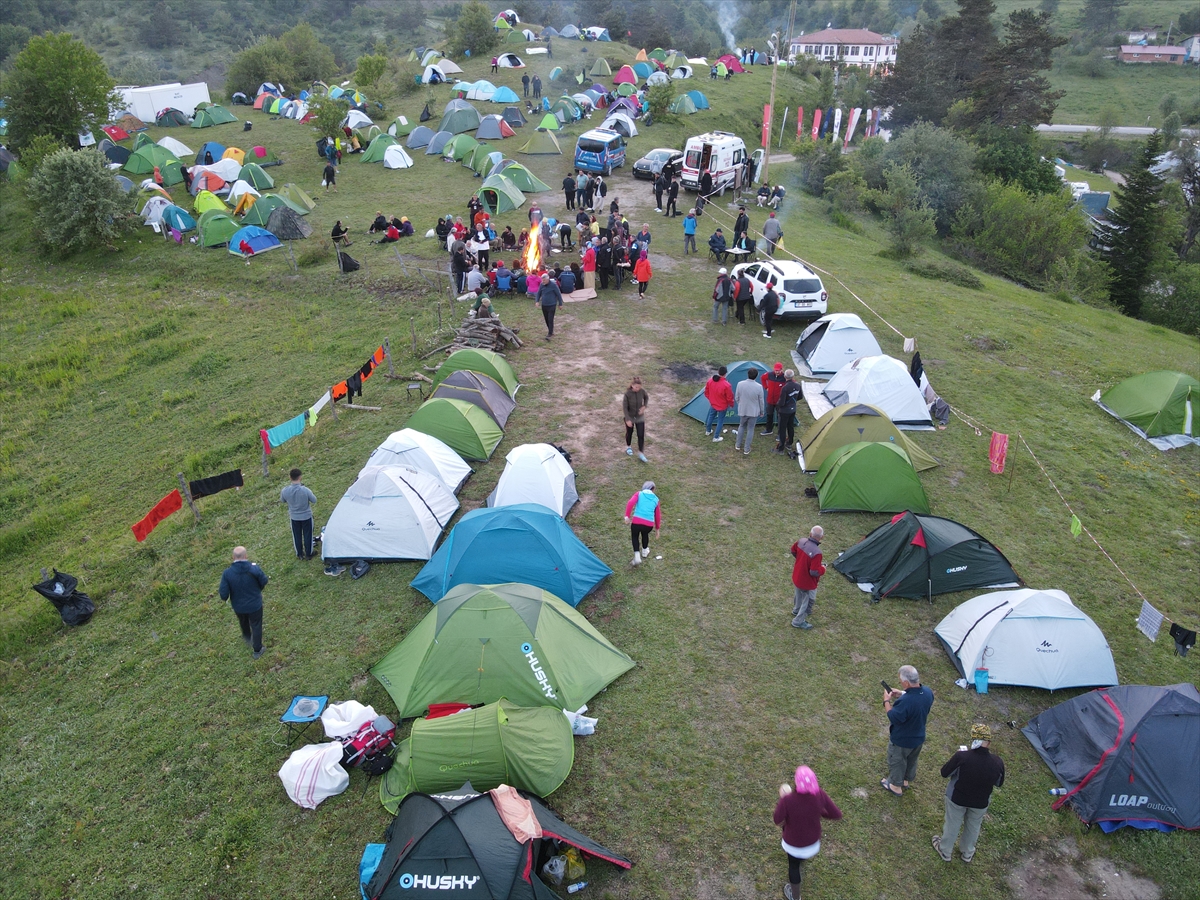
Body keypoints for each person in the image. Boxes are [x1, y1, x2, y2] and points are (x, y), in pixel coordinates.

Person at [934, 724, 1005, 863]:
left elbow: (944, 773)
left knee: (953, 824)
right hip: (980, 802)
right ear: (989, 743)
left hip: (957, 798)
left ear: (974, 740)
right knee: (973, 826)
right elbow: (999, 783)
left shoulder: (962, 756)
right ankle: (967, 853)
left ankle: (945, 850)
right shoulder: (997, 762)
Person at [774, 766, 843, 900]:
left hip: (792, 845)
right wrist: (820, 812)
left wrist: (782, 800)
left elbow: (777, 819)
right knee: (799, 859)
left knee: (793, 868)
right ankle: (801, 859)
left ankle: (795, 897)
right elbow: (837, 814)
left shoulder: (788, 800)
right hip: (812, 845)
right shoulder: (820, 795)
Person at [882, 665, 935, 797]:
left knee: (897, 760)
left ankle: (895, 786)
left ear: (906, 682)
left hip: (902, 740)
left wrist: (886, 701)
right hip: (918, 737)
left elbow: (894, 717)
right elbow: (915, 697)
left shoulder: (906, 702)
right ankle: (905, 780)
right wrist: (901, 693)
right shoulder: (928, 692)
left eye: (901, 681)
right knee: (911, 760)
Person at [218, 546, 269, 659]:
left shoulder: (227, 574)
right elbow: (264, 580)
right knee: (256, 625)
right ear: (246, 556)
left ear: (233, 557)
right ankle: (257, 650)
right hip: (255, 604)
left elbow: (223, 594)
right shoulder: (254, 569)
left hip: (238, 606)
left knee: (243, 621)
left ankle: (247, 636)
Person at [790, 525, 826, 628]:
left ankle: (796, 610)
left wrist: (801, 561)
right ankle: (798, 621)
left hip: (797, 576)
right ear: (822, 537)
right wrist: (823, 568)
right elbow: (814, 572)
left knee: (798, 594)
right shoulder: (817, 553)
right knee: (809, 601)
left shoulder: (801, 541)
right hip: (807, 583)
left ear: (810, 534)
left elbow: (793, 551)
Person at [280, 469, 316, 560]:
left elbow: (282, 500)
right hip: (306, 516)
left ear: (290, 477)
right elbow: (314, 500)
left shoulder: (285, 491)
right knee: (308, 534)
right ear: (300, 477)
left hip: (294, 517)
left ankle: (299, 553)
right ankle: (309, 553)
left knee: (296, 535)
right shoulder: (305, 490)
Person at [623, 480, 661, 566]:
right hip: (649, 525)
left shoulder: (639, 494)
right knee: (645, 534)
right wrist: (657, 529)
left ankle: (637, 556)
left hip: (636, 522)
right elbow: (658, 515)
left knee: (635, 536)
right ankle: (644, 551)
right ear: (653, 489)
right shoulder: (656, 499)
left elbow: (630, 503)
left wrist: (627, 516)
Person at [734, 367, 765, 455]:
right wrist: (762, 412)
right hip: (753, 412)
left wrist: (741, 404)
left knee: (741, 426)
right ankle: (746, 449)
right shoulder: (759, 387)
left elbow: (737, 397)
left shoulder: (740, 384)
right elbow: (761, 401)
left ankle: (738, 445)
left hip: (743, 410)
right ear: (756, 376)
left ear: (747, 374)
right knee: (750, 429)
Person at [703, 366, 735, 441]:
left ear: (718, 372)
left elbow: (706, 392)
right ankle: (716, 437)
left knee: (711, 416)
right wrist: (731, 404)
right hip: (722, 406)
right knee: (720, 420)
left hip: (713, 404)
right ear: (725, 373)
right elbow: (729, 397)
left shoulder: (710, 381)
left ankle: (708, 431)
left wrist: (711, 399)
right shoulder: (726, 385)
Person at [775, 370, 802, 457]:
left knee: (782, 429)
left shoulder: (785, 388)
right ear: (793, 377)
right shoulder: (798, 386)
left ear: (785, 377)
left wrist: (778, 405)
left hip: (784, 411)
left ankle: (781, 449)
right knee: (790, 427)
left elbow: (782, 402)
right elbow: (800, 396)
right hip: (793, 409)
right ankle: (789, 443)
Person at [623, 375, 649, 461]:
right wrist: (627, 419)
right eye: (636, 387)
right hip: (630, 416)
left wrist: (644, 406)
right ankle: (628, 447)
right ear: (632, 386)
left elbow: (646, 397)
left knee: (641, 435)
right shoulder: (627, 394)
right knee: (629, 433)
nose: (638, 389)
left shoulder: (642, 391)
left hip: (639, 417)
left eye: (639, 387)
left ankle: (641, 453)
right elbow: (625, 408)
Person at [536, 272, 564, 340]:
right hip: (544, 305)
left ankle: (550, 333)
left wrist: (560, 304)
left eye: (544, 280)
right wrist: (537, 301)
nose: (543, 281)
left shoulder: (553, 285)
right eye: (542, 280)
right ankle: (550, 330)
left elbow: (558, 294)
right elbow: (538, 293)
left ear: (548, 279)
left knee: (550, 319)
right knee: (546, 319)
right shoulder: (541, 285)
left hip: (552, 304)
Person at [761, 363, 785, 435]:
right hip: (770, 400)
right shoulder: (770, 374)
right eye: (776, 370)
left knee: (780, 417)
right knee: (769, 414)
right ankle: (769, 429)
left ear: (781, 370)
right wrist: (766, 387)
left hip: (779, 401)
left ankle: (780, 433)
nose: (777, 372)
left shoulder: (784, 377)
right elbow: (762, 378)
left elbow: (791, 383)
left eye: (778, 370)